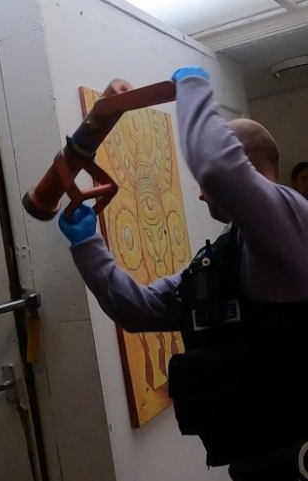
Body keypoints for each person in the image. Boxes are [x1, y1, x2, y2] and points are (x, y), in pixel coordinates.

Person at [58, 67, 308, 480]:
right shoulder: (227, 253)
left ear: (244, 167)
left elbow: (215, 168)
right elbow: (139, 310)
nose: (199, 191)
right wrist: (87, 245)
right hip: (257, 467)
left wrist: (192, 85)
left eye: (203, 182)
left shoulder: (293, 219)